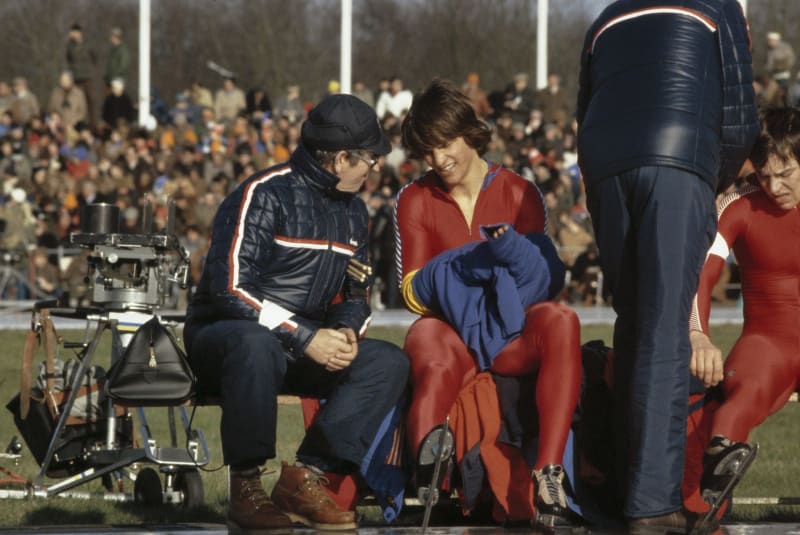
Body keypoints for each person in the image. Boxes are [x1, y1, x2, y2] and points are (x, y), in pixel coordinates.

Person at [183, 94, 409, 532]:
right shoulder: (260, 194)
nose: (376, 167)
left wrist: (344, 332)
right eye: (371, 158)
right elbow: (230, 291)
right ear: (342, 158)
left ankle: (306, 475)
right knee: (256, 343)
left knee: (386, 360)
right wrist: (306, 337)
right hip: (225, 341)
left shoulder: (355, 212)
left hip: (295, 345)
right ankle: (245, 487)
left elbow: (358, 295)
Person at [576, 1, 759, 532]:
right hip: (677, 155)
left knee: (631, 324)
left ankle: (622, 480)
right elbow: (740, 115)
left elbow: (585, 104)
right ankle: (653, 502)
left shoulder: (604, 18)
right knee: (663, 332)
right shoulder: (718, 5)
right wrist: (712, 177)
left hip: (605, 164)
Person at [396, 78, 582, 528]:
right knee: (432, 348)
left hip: (509, 327)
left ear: (469, 133)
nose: (439, 160)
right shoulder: (414, 198)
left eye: (444, 145)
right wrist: (480, 269)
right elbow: (411, 289)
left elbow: (541, 280)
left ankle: (550, 473)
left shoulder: (521, 191)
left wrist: (483, 289)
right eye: (428, 152)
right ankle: (429, 476)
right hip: (449, 326)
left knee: (561, 319)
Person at [689, 107, 800, 508]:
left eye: (785, 175)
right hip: (769, 341)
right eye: (765, 175)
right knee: (743, 393)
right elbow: (701, 272)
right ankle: (718, 464)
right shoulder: (738, 204)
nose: (773, 187)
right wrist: (698, 335)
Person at [66, 23, 97, 128]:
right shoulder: (70, 45)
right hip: (76, 76)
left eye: (75, 32)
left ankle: (93, 124)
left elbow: (95, 57)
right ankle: (78, 123)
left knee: (90, 99)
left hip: (87, 76)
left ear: (79, 33)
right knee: (76, 100)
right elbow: (69, 57)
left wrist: (91, 69)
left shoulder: (88, 44)